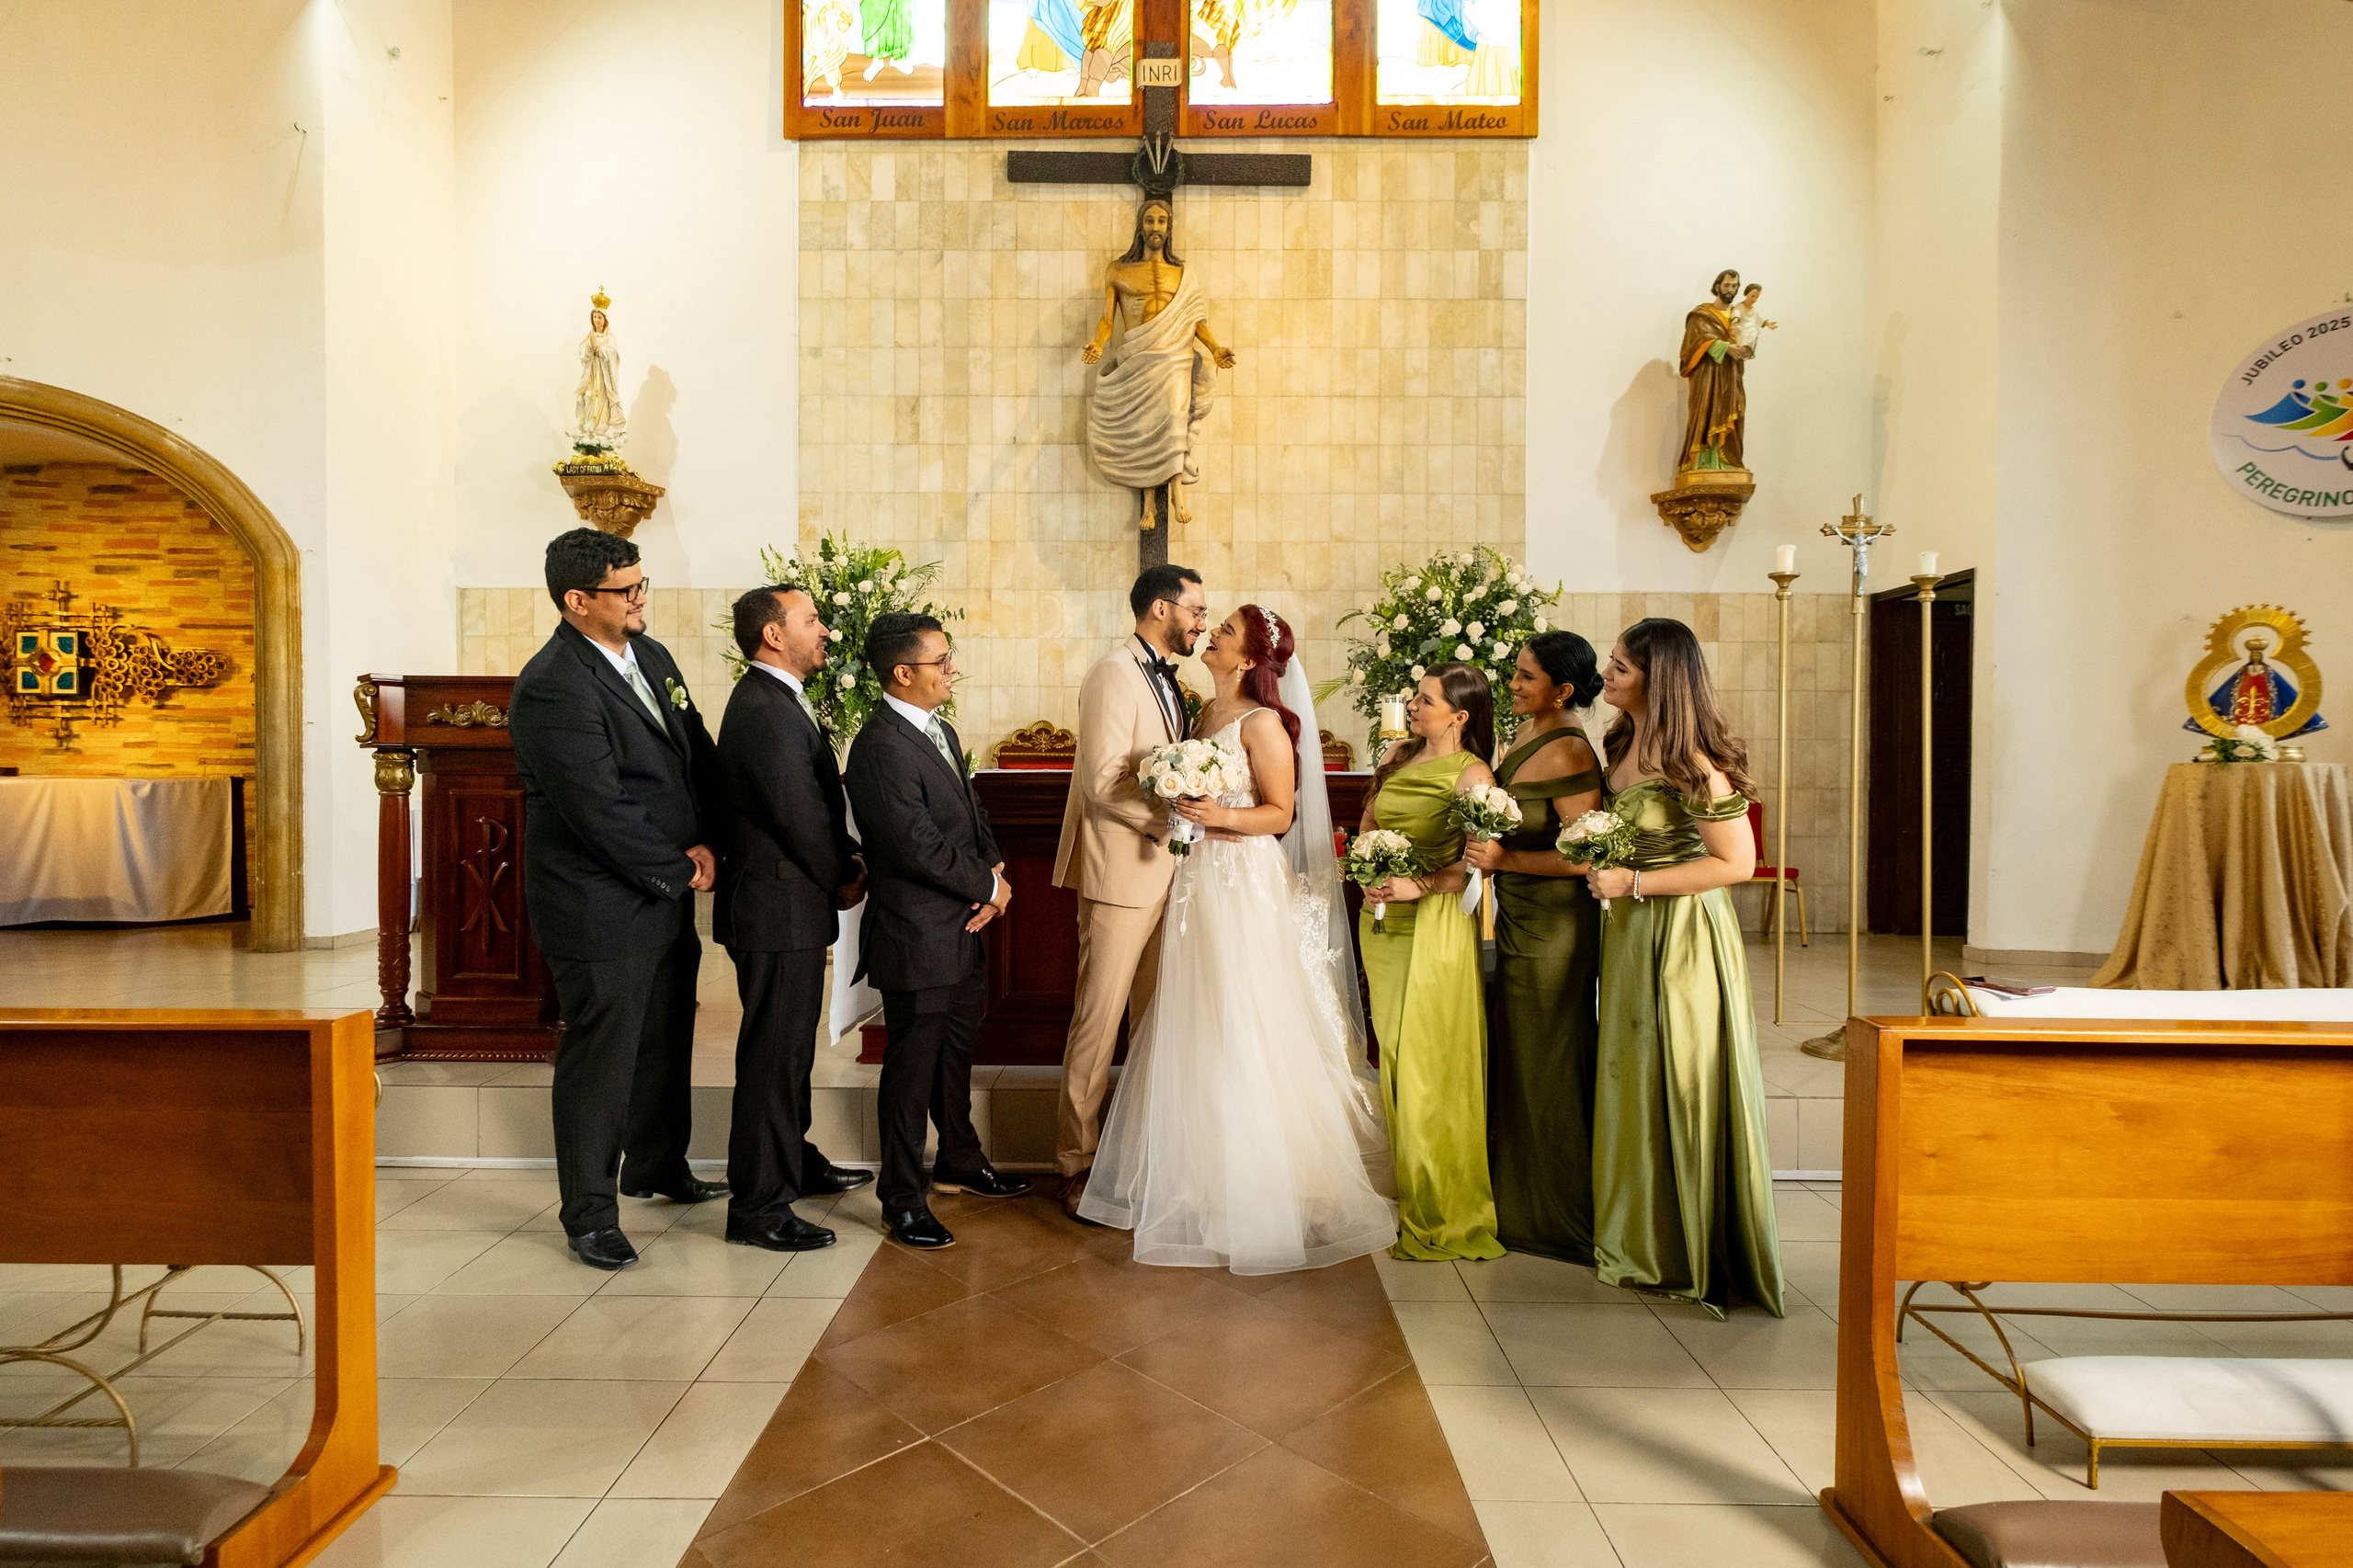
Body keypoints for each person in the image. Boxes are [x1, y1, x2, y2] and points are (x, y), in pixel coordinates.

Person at [1079, 606, 1396, 1272]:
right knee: (1193, 1015)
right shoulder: (1202, 716)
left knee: (1242, 1014)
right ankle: (1193, 1178)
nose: (1212, 634)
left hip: (1243, 884)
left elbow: (1280, 814)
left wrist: (1215, 817)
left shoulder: (1264, 724)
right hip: (1195, 882)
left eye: (1224, 631)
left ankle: (1258, 1185)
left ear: (1249, 659)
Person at [507, 528, 724, 1273]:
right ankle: (590, 1214)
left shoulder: (651, 655)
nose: (640, 599)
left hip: (660, 889)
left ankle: (657, 1165)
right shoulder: (553, 684)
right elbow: (595, 806)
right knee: (602, 1058)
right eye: (625, 590)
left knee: (663, 1034)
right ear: (577, 600)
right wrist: (677, 867)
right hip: (596, 900)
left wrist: (713, 839)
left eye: (640, 584)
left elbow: (693, 749)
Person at [1586, 618, 1785, 1318]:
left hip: (1684, 937)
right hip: (1631, 932)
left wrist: (1634, 883)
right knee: (1634, 1074)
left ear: (1659, 680)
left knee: (1680, 1076)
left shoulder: (1693, 762)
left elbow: (1738, 863)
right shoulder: (1622, 742)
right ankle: (1641, 1235)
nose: (1607, 676)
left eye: (1621, 668)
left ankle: (1691, 1245)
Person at [843, 613, 1030, 1249]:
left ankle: (959, 1159)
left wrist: (994, 869)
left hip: (962, 924)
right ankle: (900, 1197)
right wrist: (988, 888)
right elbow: (913, 844)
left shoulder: (938, 728)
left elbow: (972, 812)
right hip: (916, 933)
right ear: (903, 672)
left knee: (954, 1053)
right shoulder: (879, 746)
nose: (953, 669)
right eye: (941, 660)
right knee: (911, 1069)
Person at [710, 585, 878, 1256]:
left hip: (786, 905)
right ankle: (758, 1205)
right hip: (774, 907)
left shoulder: (778, 698)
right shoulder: (764, 709)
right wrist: (845, 870)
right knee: (773, 1058)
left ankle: (793, 1160)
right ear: (774, 635)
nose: (825, 631)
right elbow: (799, 814)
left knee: (789, 1053)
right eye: (811, 620)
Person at [1051, 563, 1207, 1221]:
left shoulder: (1167, 678)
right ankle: (1076, 1161)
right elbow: (1101, 780)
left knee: (1153, 1019)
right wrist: (1176, 819)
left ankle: (1138, 1155)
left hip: (1168, 871)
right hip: (1120, 873)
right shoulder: (1114, 673)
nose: (1202, 623)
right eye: (1196, 610)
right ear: (1160, 609)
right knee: (1100, 1018)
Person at [1462, 631, 1606, 1265]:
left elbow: (1586, 857)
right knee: (1520, 1055)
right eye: (1515, 673)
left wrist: (1505, 860)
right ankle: (1516, 1200)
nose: (1514, 685)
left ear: (1563, 690)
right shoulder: (1527, 731)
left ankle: (1557, 1216)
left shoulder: (1569, 747)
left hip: (1555, 928)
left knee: (1548, 1059)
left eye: (1527, 677)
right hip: (1519, 915)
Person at [1358, 663, 1506, 1263]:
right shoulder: (1397, 758)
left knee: (1429, 1062)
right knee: (1394, 1057)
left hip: (1435, 923)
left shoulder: (1473, 774)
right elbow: (1369, 825)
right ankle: (1411, 1187)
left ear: (1459, 716)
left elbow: (1477, 862)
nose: (1413, 706)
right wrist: (1368, 872)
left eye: (1425, 700)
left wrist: (1418, 885)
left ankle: (1443, 1203)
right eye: (1415, 698)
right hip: (1381, 922)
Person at [1079, 201, 1236, 528]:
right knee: (1146, 426)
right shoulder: (1118, 271)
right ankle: (1149, 504)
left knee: (1174, 417)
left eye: (1162, 221)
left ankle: (1178, 492)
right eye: (1149, 220)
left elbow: (1195, 321)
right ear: (1140, 226)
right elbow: (1108, 319)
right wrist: (1098, 342)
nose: (1156, 226)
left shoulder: (1183, 274)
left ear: (1169, 227)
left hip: (1175, 356)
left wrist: (1215, 347)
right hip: (1139, 357)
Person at [1678, 268, 1753, 472]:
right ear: (1717, 286)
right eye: (1727, 285)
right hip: (1708, 375)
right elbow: (1694, 343)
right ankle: (1701, 463)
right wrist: (1724, 347)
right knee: (1706, 412)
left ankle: (1727, 462)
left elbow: (1748, 335)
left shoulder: (1740, 315)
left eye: (1734, 286)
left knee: (1735, 410)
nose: (1730, 289)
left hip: (1731, 374)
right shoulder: (1702, 315)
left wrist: (1747, 348)